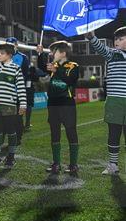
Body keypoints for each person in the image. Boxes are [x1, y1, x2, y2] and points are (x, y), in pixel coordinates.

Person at [86, 28, 126, 175]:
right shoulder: (113, 54)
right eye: (116, 39)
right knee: (114, 133)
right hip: (114, 101)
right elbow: (101, 48)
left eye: (121, 39)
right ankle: (113, 165)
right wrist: (92, 37)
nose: (117, 41)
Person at [37, 41, 80, 176]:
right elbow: (42, 66)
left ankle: (73, 165)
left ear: (63, 53)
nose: (51, 54)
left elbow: (71, 80)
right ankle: (56, 163)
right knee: (54, 133)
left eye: (53, 51)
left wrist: (57, 70)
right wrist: (40, 53)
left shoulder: (73, 66)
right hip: (53, 104)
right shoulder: (53, 65)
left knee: (71, 132)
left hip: (67, 104)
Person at [6, 37, 29, 146]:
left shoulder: (23, 57)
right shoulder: (3, 56)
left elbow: (25, 75)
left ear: (16, 45)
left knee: (17, 117)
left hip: (17, 92)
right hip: (5, 92)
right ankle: (0, 138)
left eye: (11, 45)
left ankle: (18, 138)